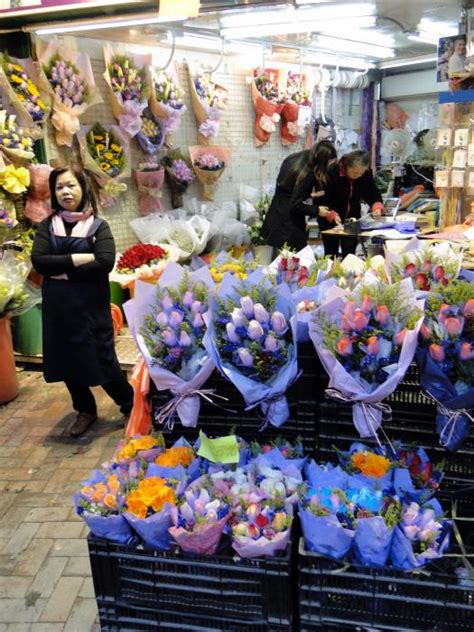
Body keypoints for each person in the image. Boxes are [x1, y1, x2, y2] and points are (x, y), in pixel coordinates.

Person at [31, 166, 134, 437]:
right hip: (58, 309)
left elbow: (104, 262)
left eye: (71, 186)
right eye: (60, 187)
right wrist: (78, 259)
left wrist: (61, 270)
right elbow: (39, 261)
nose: (66, 192)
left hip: (90, 308)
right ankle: (85, 409)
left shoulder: (98, 226)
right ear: (53, 193)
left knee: (102, 359)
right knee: (66, 361)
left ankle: (130, 404)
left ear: (83, 188)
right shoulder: (47, 226)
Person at [262, 140, 337, 251]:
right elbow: (295, 205)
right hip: (288, 226)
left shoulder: (296, 158)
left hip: (276, 215)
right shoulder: (307, 174)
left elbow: (289, 191)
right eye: (329, 162)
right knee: (292, 263)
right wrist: (317, 210)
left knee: (279, 260)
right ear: (322, 161)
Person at [318, 150, 384, 258]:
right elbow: (322, 200)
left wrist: (376, 206)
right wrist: (331, 214)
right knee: (331, 254)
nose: (357, 176)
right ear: (346, 167)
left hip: (352, 219)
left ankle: (349, 273)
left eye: (360, 174)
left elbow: (372, 192)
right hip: (329, 217)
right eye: (354, 173)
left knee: (349, 254)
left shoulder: (366, 173)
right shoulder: (331, 171)